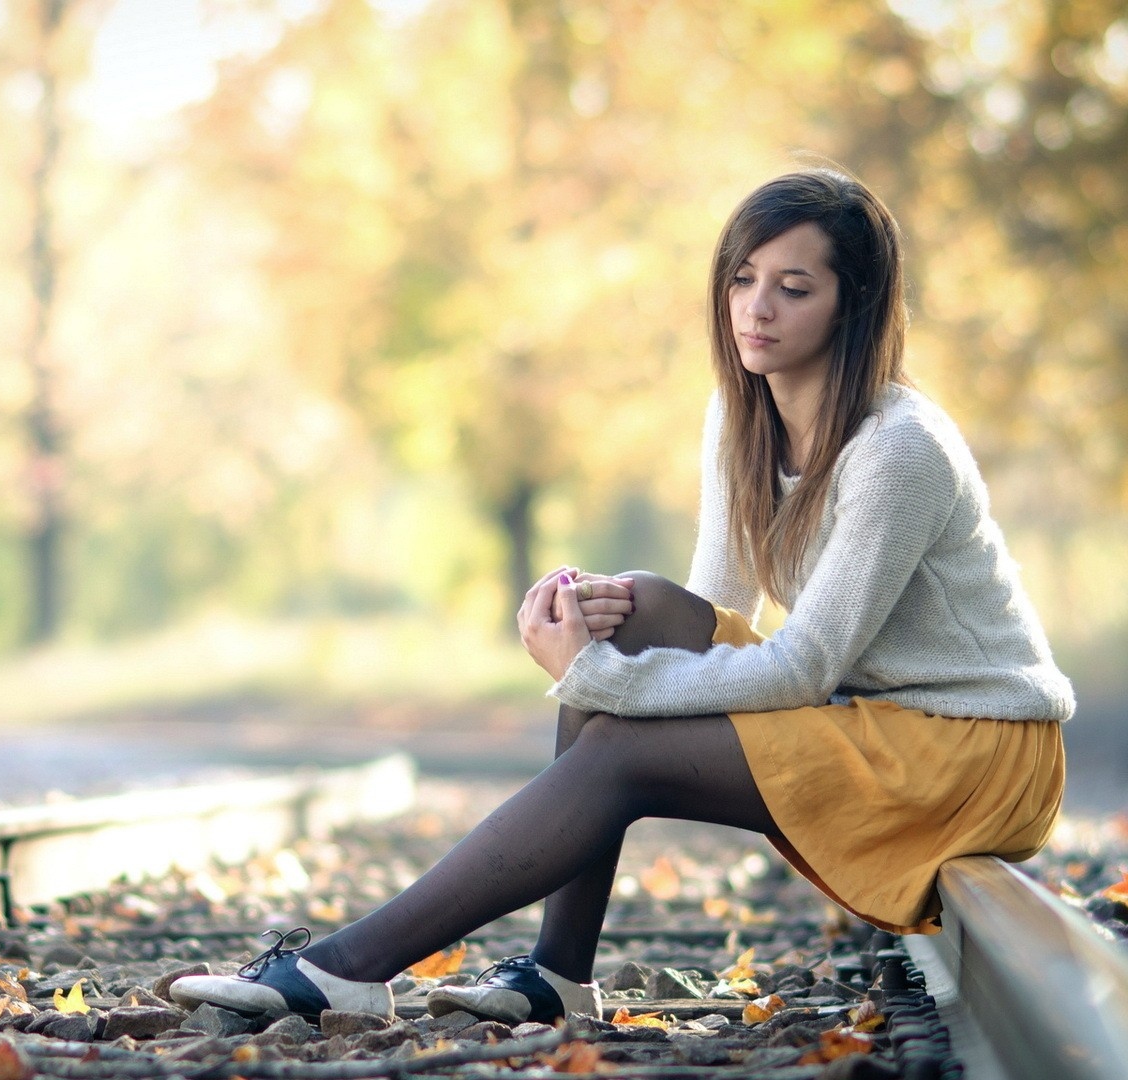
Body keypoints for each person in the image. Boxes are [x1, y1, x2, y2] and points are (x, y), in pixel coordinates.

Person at [171, 168, 1073, 1026]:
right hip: (874, 721)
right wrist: (598, 628)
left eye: (795, 288)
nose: (757, 308)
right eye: (743, 278)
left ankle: (348, 969)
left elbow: (806, 666)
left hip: (974, 750)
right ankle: (559, 974)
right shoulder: (743, 414)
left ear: (854, 304)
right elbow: (713, 606)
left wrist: (602, 681)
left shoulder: (898, 449)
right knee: (633, 606)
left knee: (618, 748)